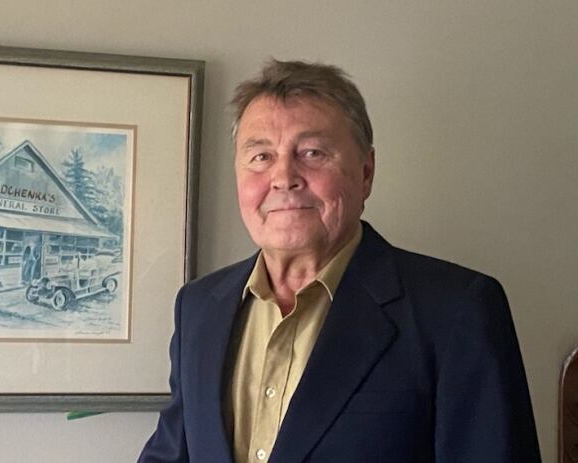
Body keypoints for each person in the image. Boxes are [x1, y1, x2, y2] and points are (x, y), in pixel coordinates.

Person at [138, 60, 540, 462]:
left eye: (312, 153)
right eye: (260, 156)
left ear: (366, 173)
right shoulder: (198, 308)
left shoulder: (457, 310)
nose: (283, 177)